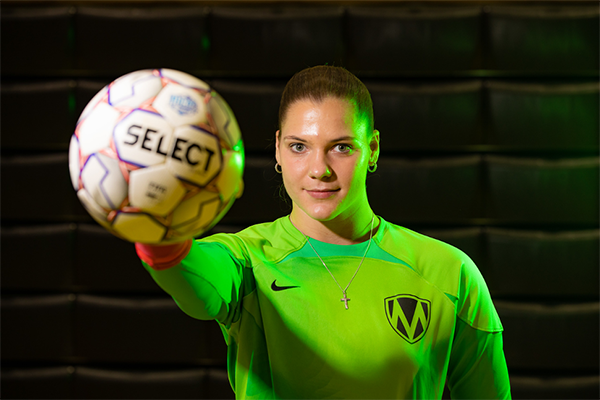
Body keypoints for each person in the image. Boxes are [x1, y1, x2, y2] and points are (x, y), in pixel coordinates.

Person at [135, 65, 511, 400]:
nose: (319, 169)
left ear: (373, 149)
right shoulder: (246, 259)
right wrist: (155, 227)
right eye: (300, 147)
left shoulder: (448, 271)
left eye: (341, 148)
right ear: (279, 151)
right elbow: (190, 279)